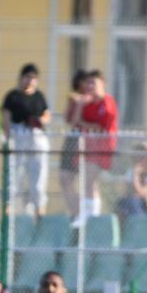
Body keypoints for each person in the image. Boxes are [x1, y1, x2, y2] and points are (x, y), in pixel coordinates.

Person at [1, 63, 51, 217]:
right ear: (21, 78)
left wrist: (40, 121)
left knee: (37, 178)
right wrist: (9, 137)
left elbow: (46, 115)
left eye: (33, 78)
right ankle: (8, 213)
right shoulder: (12, 96)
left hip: (36, 137)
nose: (30, 81)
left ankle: (39, 213)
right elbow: (6, 119)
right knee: (14, 175)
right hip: (19, 135)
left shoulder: (39, 96)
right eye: (27, 77)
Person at [75, 70, 118, 225]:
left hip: (103, 148)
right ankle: (91, 214)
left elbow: (101, 127)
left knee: (89, 181)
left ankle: (90, 215)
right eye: (89, 83)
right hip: (89, 147)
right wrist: (80, 105)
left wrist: (87, 125)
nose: (91, 86)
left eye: (94, 83)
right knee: (89, 182)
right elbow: (76, 122)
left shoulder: (107, 101)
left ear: (102, 84)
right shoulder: (89, 104)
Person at [58, 70, 91, 217]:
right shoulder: (75, 98)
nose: (84, 85)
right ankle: (75, 211)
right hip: (73, 138)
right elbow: (68, 119)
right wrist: (75, 102)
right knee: (65, 178)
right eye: (82, 82)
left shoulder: (91, 99)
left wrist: (80, 104)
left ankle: (83, 214)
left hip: (86, 139)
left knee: (85, 181)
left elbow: (78, 121)